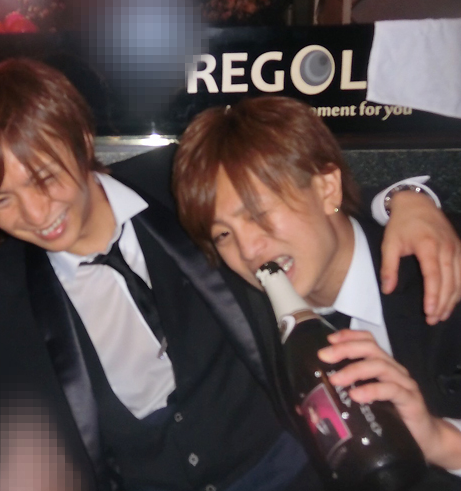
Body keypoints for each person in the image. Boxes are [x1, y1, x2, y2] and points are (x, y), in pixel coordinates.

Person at [0, 60, 461, 491]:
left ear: (81, 141)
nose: (35, 214)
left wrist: (406, 199)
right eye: (1, 200)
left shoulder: (178, 182)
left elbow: (301, 199)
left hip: (297, 476)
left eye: (44, 177)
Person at [172, 95, 461, 478]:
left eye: (258, 212)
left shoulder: (439, 264)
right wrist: (401, 195)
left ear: (328, 190)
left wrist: (440, 442)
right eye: (223, 234)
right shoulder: (249, 306)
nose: (248, 250)